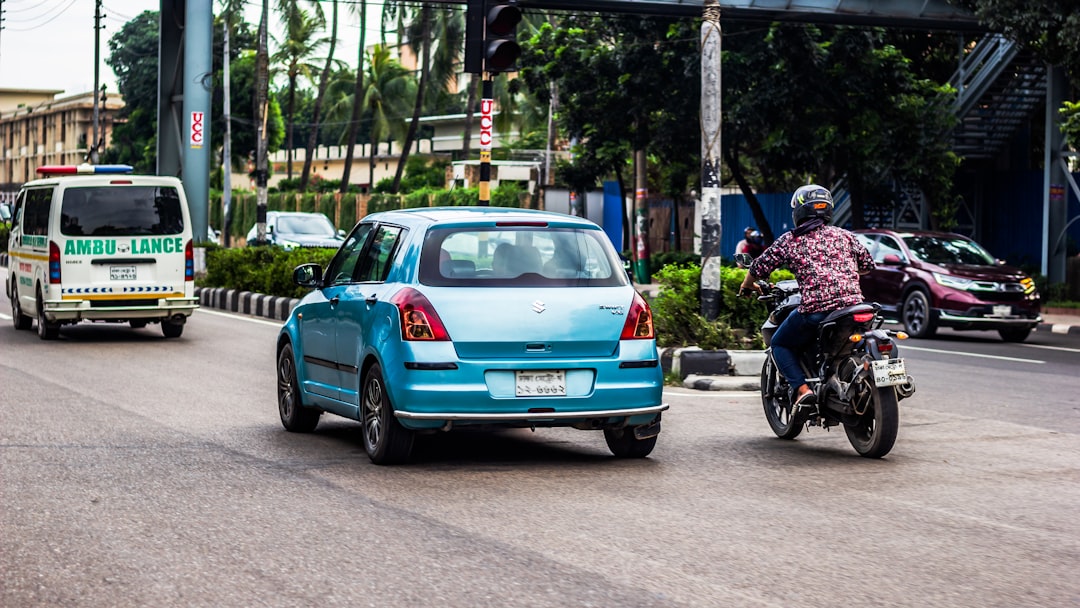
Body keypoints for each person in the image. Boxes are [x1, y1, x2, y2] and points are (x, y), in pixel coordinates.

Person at [738, 184, 875, 409]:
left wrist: (746, 286)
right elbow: (868, 265)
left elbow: (759, 267)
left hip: (818, 310)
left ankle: (803, 391)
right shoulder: (844, 235)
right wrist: (841, 272)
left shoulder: (791, 240)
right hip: (854, 307)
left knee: (779, 343)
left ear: (799, 212)